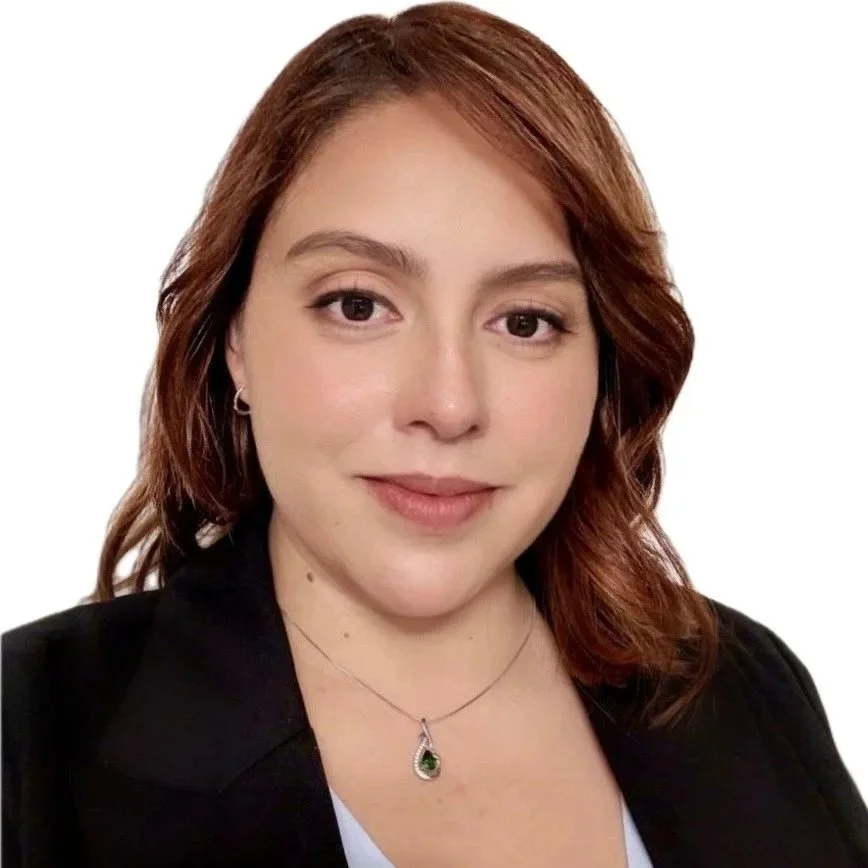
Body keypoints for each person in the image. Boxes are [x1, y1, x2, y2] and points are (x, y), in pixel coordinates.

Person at [3, 3, 867, 866]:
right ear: (236, 342)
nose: (449, 405)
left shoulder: (741, 687)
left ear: (604, 361)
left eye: (525, 321)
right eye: (358, 304)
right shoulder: (28, 741)